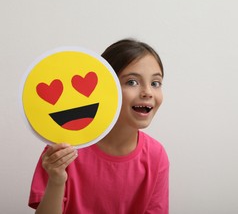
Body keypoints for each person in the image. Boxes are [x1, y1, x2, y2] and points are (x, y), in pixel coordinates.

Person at [28, 39, 169, 214]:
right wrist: (57, 180)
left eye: (155, 83)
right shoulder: (64, 149)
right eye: (132, 82)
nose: (148, 92)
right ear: (106, 88)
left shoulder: (156, 155)